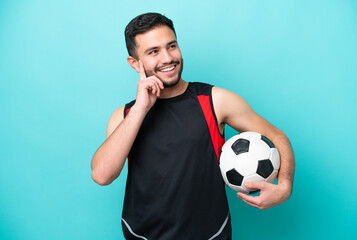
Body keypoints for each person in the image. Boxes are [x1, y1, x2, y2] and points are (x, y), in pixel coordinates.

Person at [91, 12, 295, 240]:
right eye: (153, 52)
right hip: (142, 236)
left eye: (172, 46)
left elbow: (277, 137)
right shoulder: (125, 115)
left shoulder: (215, 101)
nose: (167, 58)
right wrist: (141, 108)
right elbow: (102, 175)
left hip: (210, 235)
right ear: (134, 63)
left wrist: (284, 187)